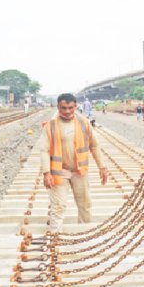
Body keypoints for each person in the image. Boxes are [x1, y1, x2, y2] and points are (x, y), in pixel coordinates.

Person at [39, 93, 108, 228]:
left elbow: (94, 146)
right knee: (58, 206)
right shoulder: (51, 126)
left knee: (85, 205)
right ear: (58, 107)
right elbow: (44, 151)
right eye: (63, 108)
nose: (67, 111)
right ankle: (55, 236)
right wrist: (46, 173)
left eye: (70, 108)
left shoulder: (84, 123)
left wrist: (102, 167)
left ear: (76, 106)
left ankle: (84, 232)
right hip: (59, 172)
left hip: (79, 171)